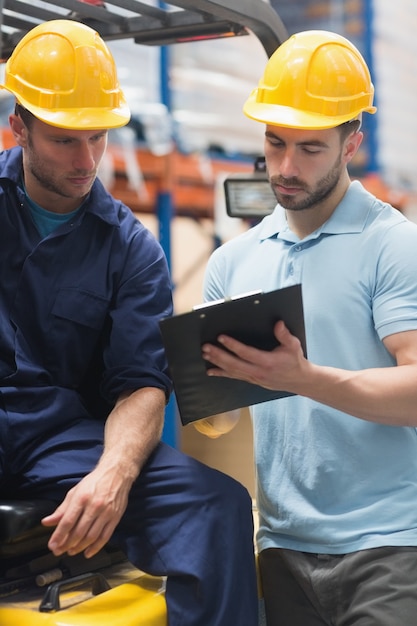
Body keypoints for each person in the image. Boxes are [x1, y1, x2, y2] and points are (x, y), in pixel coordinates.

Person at [0, 19, 258, 625]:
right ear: (21, 127)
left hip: (56, 436)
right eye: (66, 140)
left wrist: (112, 476)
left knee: (218, 506)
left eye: (98, 138)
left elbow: (142, 381)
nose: (86, 159)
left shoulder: (131, 249)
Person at [197, 29, 417, 625]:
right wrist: (191, 381)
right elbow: (222, 417)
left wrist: (303, 377)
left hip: (390, 543)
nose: (286, 168)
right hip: (283, 545)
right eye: (275, 144)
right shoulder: (232, 263)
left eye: (311, 149)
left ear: (352, 143)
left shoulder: (392, 246)